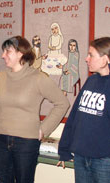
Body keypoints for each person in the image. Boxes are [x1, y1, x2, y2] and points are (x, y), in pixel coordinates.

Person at [0, 36, 69, 183]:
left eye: (7, 51)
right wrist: (1, 117)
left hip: (26, 142)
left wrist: (44, 129)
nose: (3, 55)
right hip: (1, 139)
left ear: (20, 53)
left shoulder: (38, 78)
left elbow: (62, 103)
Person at [57, 37, 110, 183]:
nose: (86, 59)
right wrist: (64, 148)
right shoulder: (91, 81)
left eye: (91, 55)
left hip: (104, 161)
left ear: (105, 59)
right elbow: (74, 117)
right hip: (81, 157)